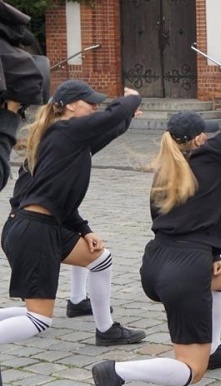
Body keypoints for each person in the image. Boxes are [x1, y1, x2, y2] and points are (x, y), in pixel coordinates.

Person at [91, 80, 221, 386]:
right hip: (184, 273)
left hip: (155, 266)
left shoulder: (164, 169)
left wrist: (211, 255)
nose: (208, 137)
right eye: (204, 133)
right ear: (198, 138)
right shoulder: (214, 160)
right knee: (192, 371)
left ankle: (213, 345)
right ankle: (116, 371)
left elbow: (170, 221)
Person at [0, 81, 146, 356]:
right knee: (38, 320)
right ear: (68, 106)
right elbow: (110, 116)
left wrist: (84, 230)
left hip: (35, 226)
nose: (94, 105)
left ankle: (106, 329)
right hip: (34, 232)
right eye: (89, 101)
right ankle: (91, 315)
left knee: (100, 258)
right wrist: (132, 99)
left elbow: (107, 130)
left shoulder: (62, 140)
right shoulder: (66, 130)